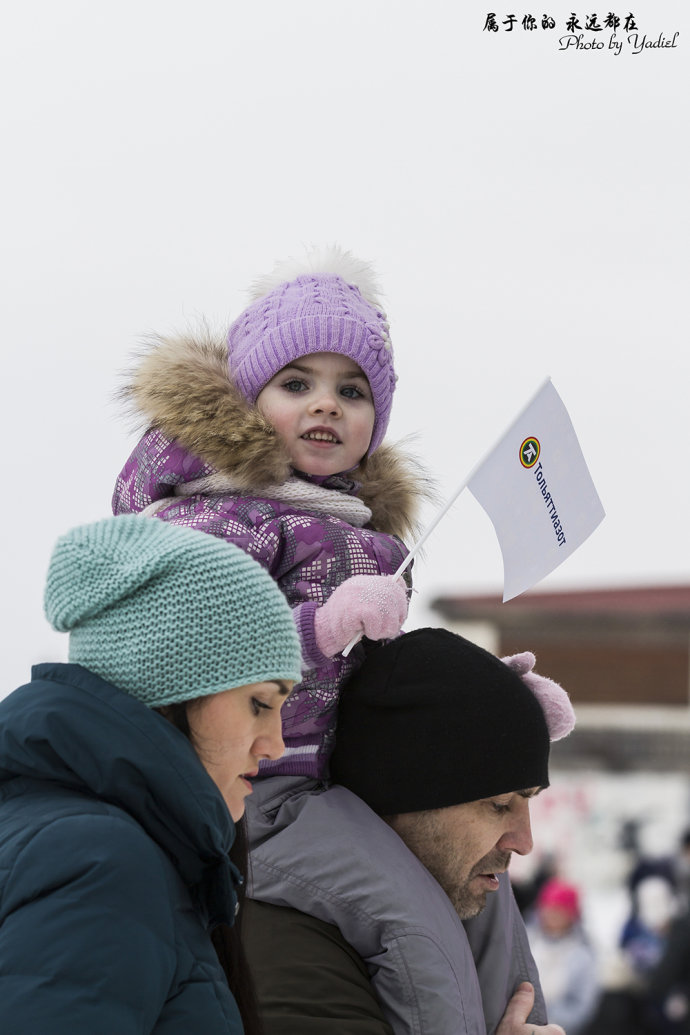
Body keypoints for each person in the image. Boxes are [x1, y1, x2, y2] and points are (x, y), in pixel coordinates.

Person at [112, 244, 424, 778]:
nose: (326, 404)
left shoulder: (369, 537)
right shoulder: (219, 515)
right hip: (223, 780)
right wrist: (323, 628)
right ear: (250, 400)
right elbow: (193, 641)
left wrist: (469, 696)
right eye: (296, 384)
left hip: (323, 775)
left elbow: (365, 676)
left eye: (352, 391)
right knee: (378, 869)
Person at [0, 514, 303, 1034]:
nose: (276, 744)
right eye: (259, 703)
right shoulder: (101, 861)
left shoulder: (66, 834)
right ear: (167, 691)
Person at [241, 627, 576, 1035]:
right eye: (500, 804)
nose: (524, 843)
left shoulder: (443, 916)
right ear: (405, 798)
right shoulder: (290, 959)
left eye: (529, 803)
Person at [527, 878, 600, 1034]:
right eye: (548, 908)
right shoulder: (526, 941)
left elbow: (581, 1007)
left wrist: (544, 1022)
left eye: (559, 910)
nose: (551, 915)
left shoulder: (582, 956)